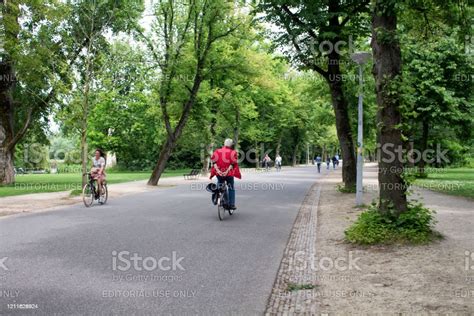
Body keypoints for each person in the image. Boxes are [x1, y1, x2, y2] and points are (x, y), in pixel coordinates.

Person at [210, 139, 241, 210]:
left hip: (219, 173)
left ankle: (217, 196)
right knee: (231, 188)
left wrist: (218, 171)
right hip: (228, 174)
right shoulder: (233, 152)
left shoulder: (217, 151)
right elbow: (232, 163)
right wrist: (226, 171)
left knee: (220, 184)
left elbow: (214, 162)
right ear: (230, 145)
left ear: (224, 144)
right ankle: (231, 204)